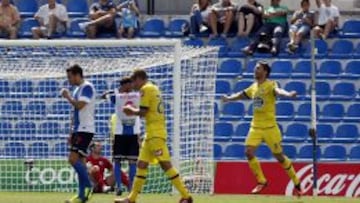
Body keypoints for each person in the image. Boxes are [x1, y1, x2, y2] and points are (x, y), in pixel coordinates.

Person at [221, 61, 303, 196]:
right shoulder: (253, 87)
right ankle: (261, 181)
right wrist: (229, 98)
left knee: (279, 157)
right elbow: (242, 94)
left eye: (258, 68)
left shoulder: (271, 85)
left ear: (265, 72)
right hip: (256, 126)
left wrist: (288, 94)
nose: (255, 70)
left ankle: (296, 181)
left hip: (270, 127)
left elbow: (278, 91)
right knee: (248, 152)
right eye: (255, 68)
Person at [115, 69, 192, 203]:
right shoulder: (154, 88)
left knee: (165, 164)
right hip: (151, 133)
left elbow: (143, 112)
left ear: (139, 78)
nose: (133, 85)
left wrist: (130, 110)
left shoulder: (146, 89)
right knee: (141, 164)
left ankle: (186, 196)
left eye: (133, 82)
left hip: (155, 133)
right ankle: (131, 198)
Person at [61, 65, 96, 203]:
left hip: (85, 128)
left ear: (77, 75)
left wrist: (68, 97)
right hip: (78, 129)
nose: (69, 80)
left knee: (72, 159)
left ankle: (89, 186)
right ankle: (81, 196)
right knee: (80, 161)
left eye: (70, 77)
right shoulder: (77, 89)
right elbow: (74, 113)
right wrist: (71, 133)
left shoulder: (87, 87)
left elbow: (80, 106)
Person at [102, 77, 141, 196]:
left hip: (133, 133)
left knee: (132, 162)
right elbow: (105, 96)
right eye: (129, 84)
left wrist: (112, 91)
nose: (131, 86)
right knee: (117, 160)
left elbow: (105, 95)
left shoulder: (118, 96)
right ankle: (119, 187)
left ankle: (130, 187)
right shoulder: (134, 95)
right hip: (120, 133)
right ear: (125, 85)